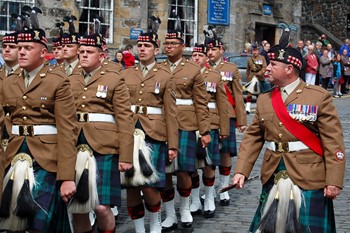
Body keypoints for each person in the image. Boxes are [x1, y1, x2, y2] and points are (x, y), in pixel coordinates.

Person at [232, 43, 345, 233]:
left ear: (289, 69)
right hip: (273, 172)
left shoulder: (318, 97)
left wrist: (334, 181)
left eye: (273, 64)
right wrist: (241, 171)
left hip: (309, 174)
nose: (267, 68)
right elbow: (253, 137)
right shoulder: (264, 98)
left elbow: (333, 141)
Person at [0, 24, 78, 232]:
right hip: (15, 156)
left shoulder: (57, 81)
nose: (22, 51)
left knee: (38, 223)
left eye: (28, 47)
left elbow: (68, 130)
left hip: (47, 158)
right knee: (13, 222)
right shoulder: (7, 83)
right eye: (20, 47)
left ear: (43, 52)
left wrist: (67, 177)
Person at [68, 33, 134, 233]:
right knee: (78, 207)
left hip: (104, 146)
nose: (84, 56)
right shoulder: (68, 78)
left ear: (101, 55)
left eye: (89, 52)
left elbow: (125, 118)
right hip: (75, 145)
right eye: (81, 52)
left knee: (102, 207)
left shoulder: (114, 78)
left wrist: (126, 155)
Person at [122, 32, 178, 233]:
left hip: (153, 133)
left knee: (150, 184)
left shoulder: (165, 75)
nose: (142, 48)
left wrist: (173, 145)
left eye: (147, 45)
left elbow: (171, 113)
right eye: (139, 45)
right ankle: (138, 228)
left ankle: (155, 222)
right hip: (129, 132)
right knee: (131, 184)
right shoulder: (126, 73)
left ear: (156, 49)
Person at [160, 30, 211, 231]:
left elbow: (201, 102)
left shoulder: (193, 69)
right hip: (161, 124)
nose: (169, 46)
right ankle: (170, 213)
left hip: (185, 124)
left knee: (183, 169)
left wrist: (204, 131)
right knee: (163, 171)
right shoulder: (159, 68)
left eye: (173, 43)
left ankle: (185, 209)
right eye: (167, 43)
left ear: (183, 46)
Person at [189, 43, 230, 218]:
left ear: (206, 58)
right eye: (194, 55)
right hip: (189, 123)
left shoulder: (214, 76)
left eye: (200, 55)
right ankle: (195, 199)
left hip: (211, 123)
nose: (196, 58)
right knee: (189, 166)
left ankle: (210, 198)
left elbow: (223, 103)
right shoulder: (184, 74)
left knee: (208, 164)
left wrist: (224, 128)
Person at [206, 38, 246, 206]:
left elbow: (237, 95)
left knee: (225, 153)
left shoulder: (231, 69)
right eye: (208, 50)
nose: (210, 53)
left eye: (214, 49)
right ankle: (208, 190)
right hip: (207, 115)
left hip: (227, 114)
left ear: (221, 50)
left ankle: (223, 187)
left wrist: (241, 119)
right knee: (208, 155)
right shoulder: (202, 69)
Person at [245, 45, 267, 114]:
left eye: (256, 51)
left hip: (259, 78)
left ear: (258, 51)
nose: (254, 52)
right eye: (253, 51)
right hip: (252, 78)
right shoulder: (249, 59)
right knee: (249, 94)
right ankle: (248, 108)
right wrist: (248, 79)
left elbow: (264, 67)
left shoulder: (262, 58)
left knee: (259, 94)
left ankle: (259, 108)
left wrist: (260, 73)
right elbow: (248, 70)